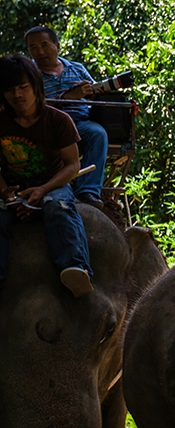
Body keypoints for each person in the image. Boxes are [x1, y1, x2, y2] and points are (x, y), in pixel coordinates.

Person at [0, 53, 94, 297]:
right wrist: (4, 191)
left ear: (36, 87)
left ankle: (76, 267)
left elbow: (72, 166)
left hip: (53, 184)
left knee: (57, 207)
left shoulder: (58, 120)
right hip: (12, 188)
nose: (17, 94)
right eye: (10, 89)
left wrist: (42, 191)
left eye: (23, 87)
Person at [25, 26, 107, 208]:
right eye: (33, 47)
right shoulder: (29, 74)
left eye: (44, 45)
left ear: (57, 46)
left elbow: (95, 92)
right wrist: (67, 97)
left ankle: (88, 191)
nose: (40, 51)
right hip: (47, 125)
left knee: (98, 133)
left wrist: (94, 91)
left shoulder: (76, 68)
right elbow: (28, 105)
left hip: (80, 122)